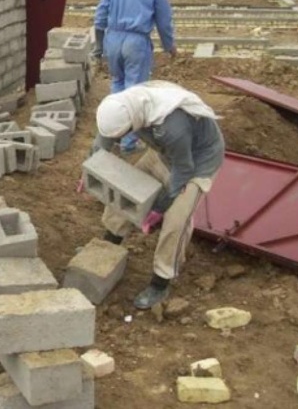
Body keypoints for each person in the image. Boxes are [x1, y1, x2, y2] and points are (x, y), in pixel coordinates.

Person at [84, 81, 225, 309]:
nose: (122, 138)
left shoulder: (171, 126)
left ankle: (161, 281)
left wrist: (159, 208)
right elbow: (105, 137)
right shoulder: (125, 106)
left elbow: (183, 170)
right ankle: (109, 246)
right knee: (125, 192)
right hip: (162, 154)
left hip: (195, 165)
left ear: (133, 122)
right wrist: (90, 169)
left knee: (175, 222)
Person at [93, 0, 177, 155]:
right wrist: (169, 46)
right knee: (135, 94)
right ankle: (129, 143)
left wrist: (99, 45)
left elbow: (101, 14)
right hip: (136, 42)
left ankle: (111, 135)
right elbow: (164, 22)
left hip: (113, 39)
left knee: (117, 86)